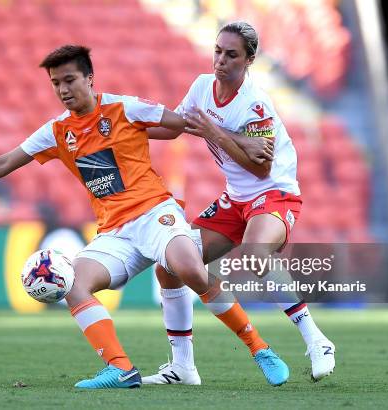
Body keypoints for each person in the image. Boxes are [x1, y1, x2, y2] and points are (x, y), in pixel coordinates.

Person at [0, 45, 289, 389]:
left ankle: (259, 349)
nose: (62, 89)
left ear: (89, 79)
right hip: (115, 231)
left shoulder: (124, 108)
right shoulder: (57, 131)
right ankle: (120, 368)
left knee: (188, 267)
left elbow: (181, 125)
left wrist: (241, 141)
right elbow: (6, 161)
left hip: (155, 213)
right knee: (71, 283)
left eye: (70, 80)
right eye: (56, 83)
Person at [143, 21, 336, 385]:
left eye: (231, 55)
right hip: (235, 199)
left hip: (274, 192)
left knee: (256, 252)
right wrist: (125, 126)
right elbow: (175, 125)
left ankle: (317, 342)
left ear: (248, 60)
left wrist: (215, 131)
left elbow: (262, 169)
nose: (220, 60)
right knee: (169, 264)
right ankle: (182, 367)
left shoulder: (255, 104)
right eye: (218, 51)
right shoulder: (202, 87)